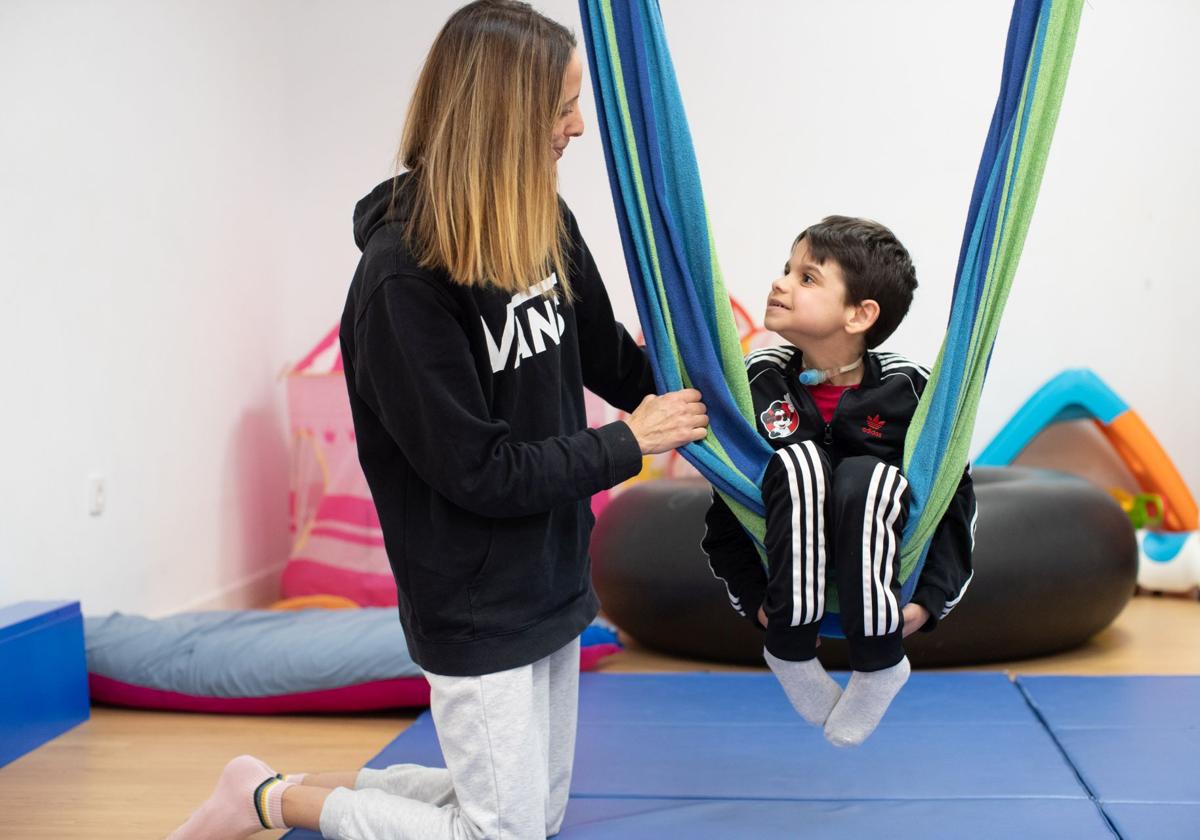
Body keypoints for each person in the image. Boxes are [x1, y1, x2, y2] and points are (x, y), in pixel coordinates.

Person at [166, 3, 707, 838]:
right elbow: (477, 471)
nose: (578, 127)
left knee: (529, 813)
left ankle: (274, 784)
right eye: (562, 105)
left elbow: (612, 359)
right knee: (504, 833)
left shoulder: (542, 222)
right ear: (503, 117)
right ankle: (266, 801)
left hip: (555, 571)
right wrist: (629, 443)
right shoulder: (401, 281)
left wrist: (727, 407)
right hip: (475, 597)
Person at [702, 216, 975, 747]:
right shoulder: (757, 381)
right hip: (786, 586)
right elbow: (727, 501)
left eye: (807, 278)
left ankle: (879, 664)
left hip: (880, 582)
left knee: (864, 476)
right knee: (799, 463)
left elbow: (952, 500)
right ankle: (789, 647)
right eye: (786, 269)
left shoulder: (909, 391)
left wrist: (931, 600)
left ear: (860, 314)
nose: (780, 282)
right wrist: (753, 597)